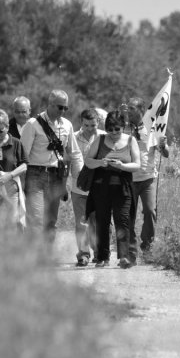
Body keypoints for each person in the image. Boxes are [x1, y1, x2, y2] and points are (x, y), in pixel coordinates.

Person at [20, 90, 83, 243]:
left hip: (56, 176)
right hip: (35, 174)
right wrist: (21, 183)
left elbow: (74, 153)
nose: (62, 111)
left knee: (51, 220)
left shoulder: (67, 125)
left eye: (65, 108)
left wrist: (79, 176)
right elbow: (22, 156)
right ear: (50, 104)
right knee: (36, 218)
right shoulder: (32, 124)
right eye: (60, 107)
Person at [85, 110, 140, 268]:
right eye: (110, 129)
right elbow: (88, 161)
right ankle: (103, 257)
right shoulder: (100, 140)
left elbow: (137, 165)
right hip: (101, 186)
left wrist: (122, 166)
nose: (114, 133)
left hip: (123, 185)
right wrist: (100, 162)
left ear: (123, 127)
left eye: (117, 129)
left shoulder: (130, 140)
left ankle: (124, 257)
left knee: (123, 220)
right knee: (102, 221)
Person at [126, 97, 170, 257]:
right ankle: (131, 249)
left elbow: (165, 154)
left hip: (148, 179)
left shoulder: (153, 129)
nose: (128, 111)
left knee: (150, 211)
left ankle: (147, 246)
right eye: (128, 108)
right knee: (128, 214)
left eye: (131, 108)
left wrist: (163, 146)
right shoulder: (123, 129)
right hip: (129, 179)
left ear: (141, 110)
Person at [71, 108, 106, 266]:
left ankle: (99, 253)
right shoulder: (73, 138)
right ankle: (83, 254)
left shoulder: (104, 138)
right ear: (81, 123)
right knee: (81, 222)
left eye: (93, 125)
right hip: (78, 188)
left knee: (97, 222)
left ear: (98, 122)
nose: (90, 129)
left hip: (99, 187)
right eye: (87, 125)